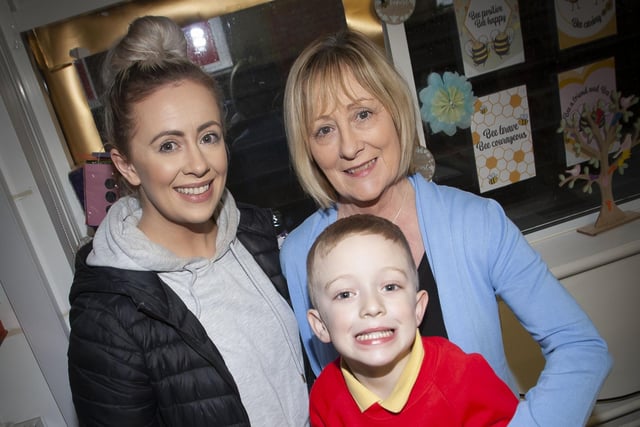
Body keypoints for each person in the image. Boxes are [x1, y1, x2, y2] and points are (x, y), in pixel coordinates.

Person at [280, 29, 612, 426]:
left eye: (363, 114)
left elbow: (582, 347)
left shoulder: (475, 222)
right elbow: (331, 392)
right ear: (309, 148)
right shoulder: (299, 253)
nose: (349, 146)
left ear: (396, 112)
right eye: (324, 130)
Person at [67, 16, 308, 426]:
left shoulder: (264, 235)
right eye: (168, 145)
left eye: (208, 136)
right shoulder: (109, 316)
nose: (198, 164)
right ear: (125, 164)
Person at [306, 214, 518, 426]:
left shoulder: (464, 377)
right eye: (345, 294)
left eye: (390, 287)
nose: (372, 307)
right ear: (320, 325)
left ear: (418, 308)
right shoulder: (324, 397)